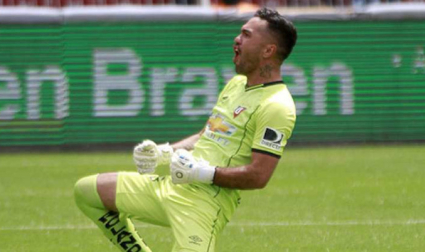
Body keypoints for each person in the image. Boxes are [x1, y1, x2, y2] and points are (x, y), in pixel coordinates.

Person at [74, 7, 297, 252]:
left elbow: (259, 176)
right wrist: (164, 152)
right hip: (170, 186)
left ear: (268, 50)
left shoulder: (277, 106)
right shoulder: (236, 84)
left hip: (203, 205)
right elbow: (207, 135)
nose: (237, 39)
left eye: (246, 35)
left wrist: (202, 173)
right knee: (87, 192)